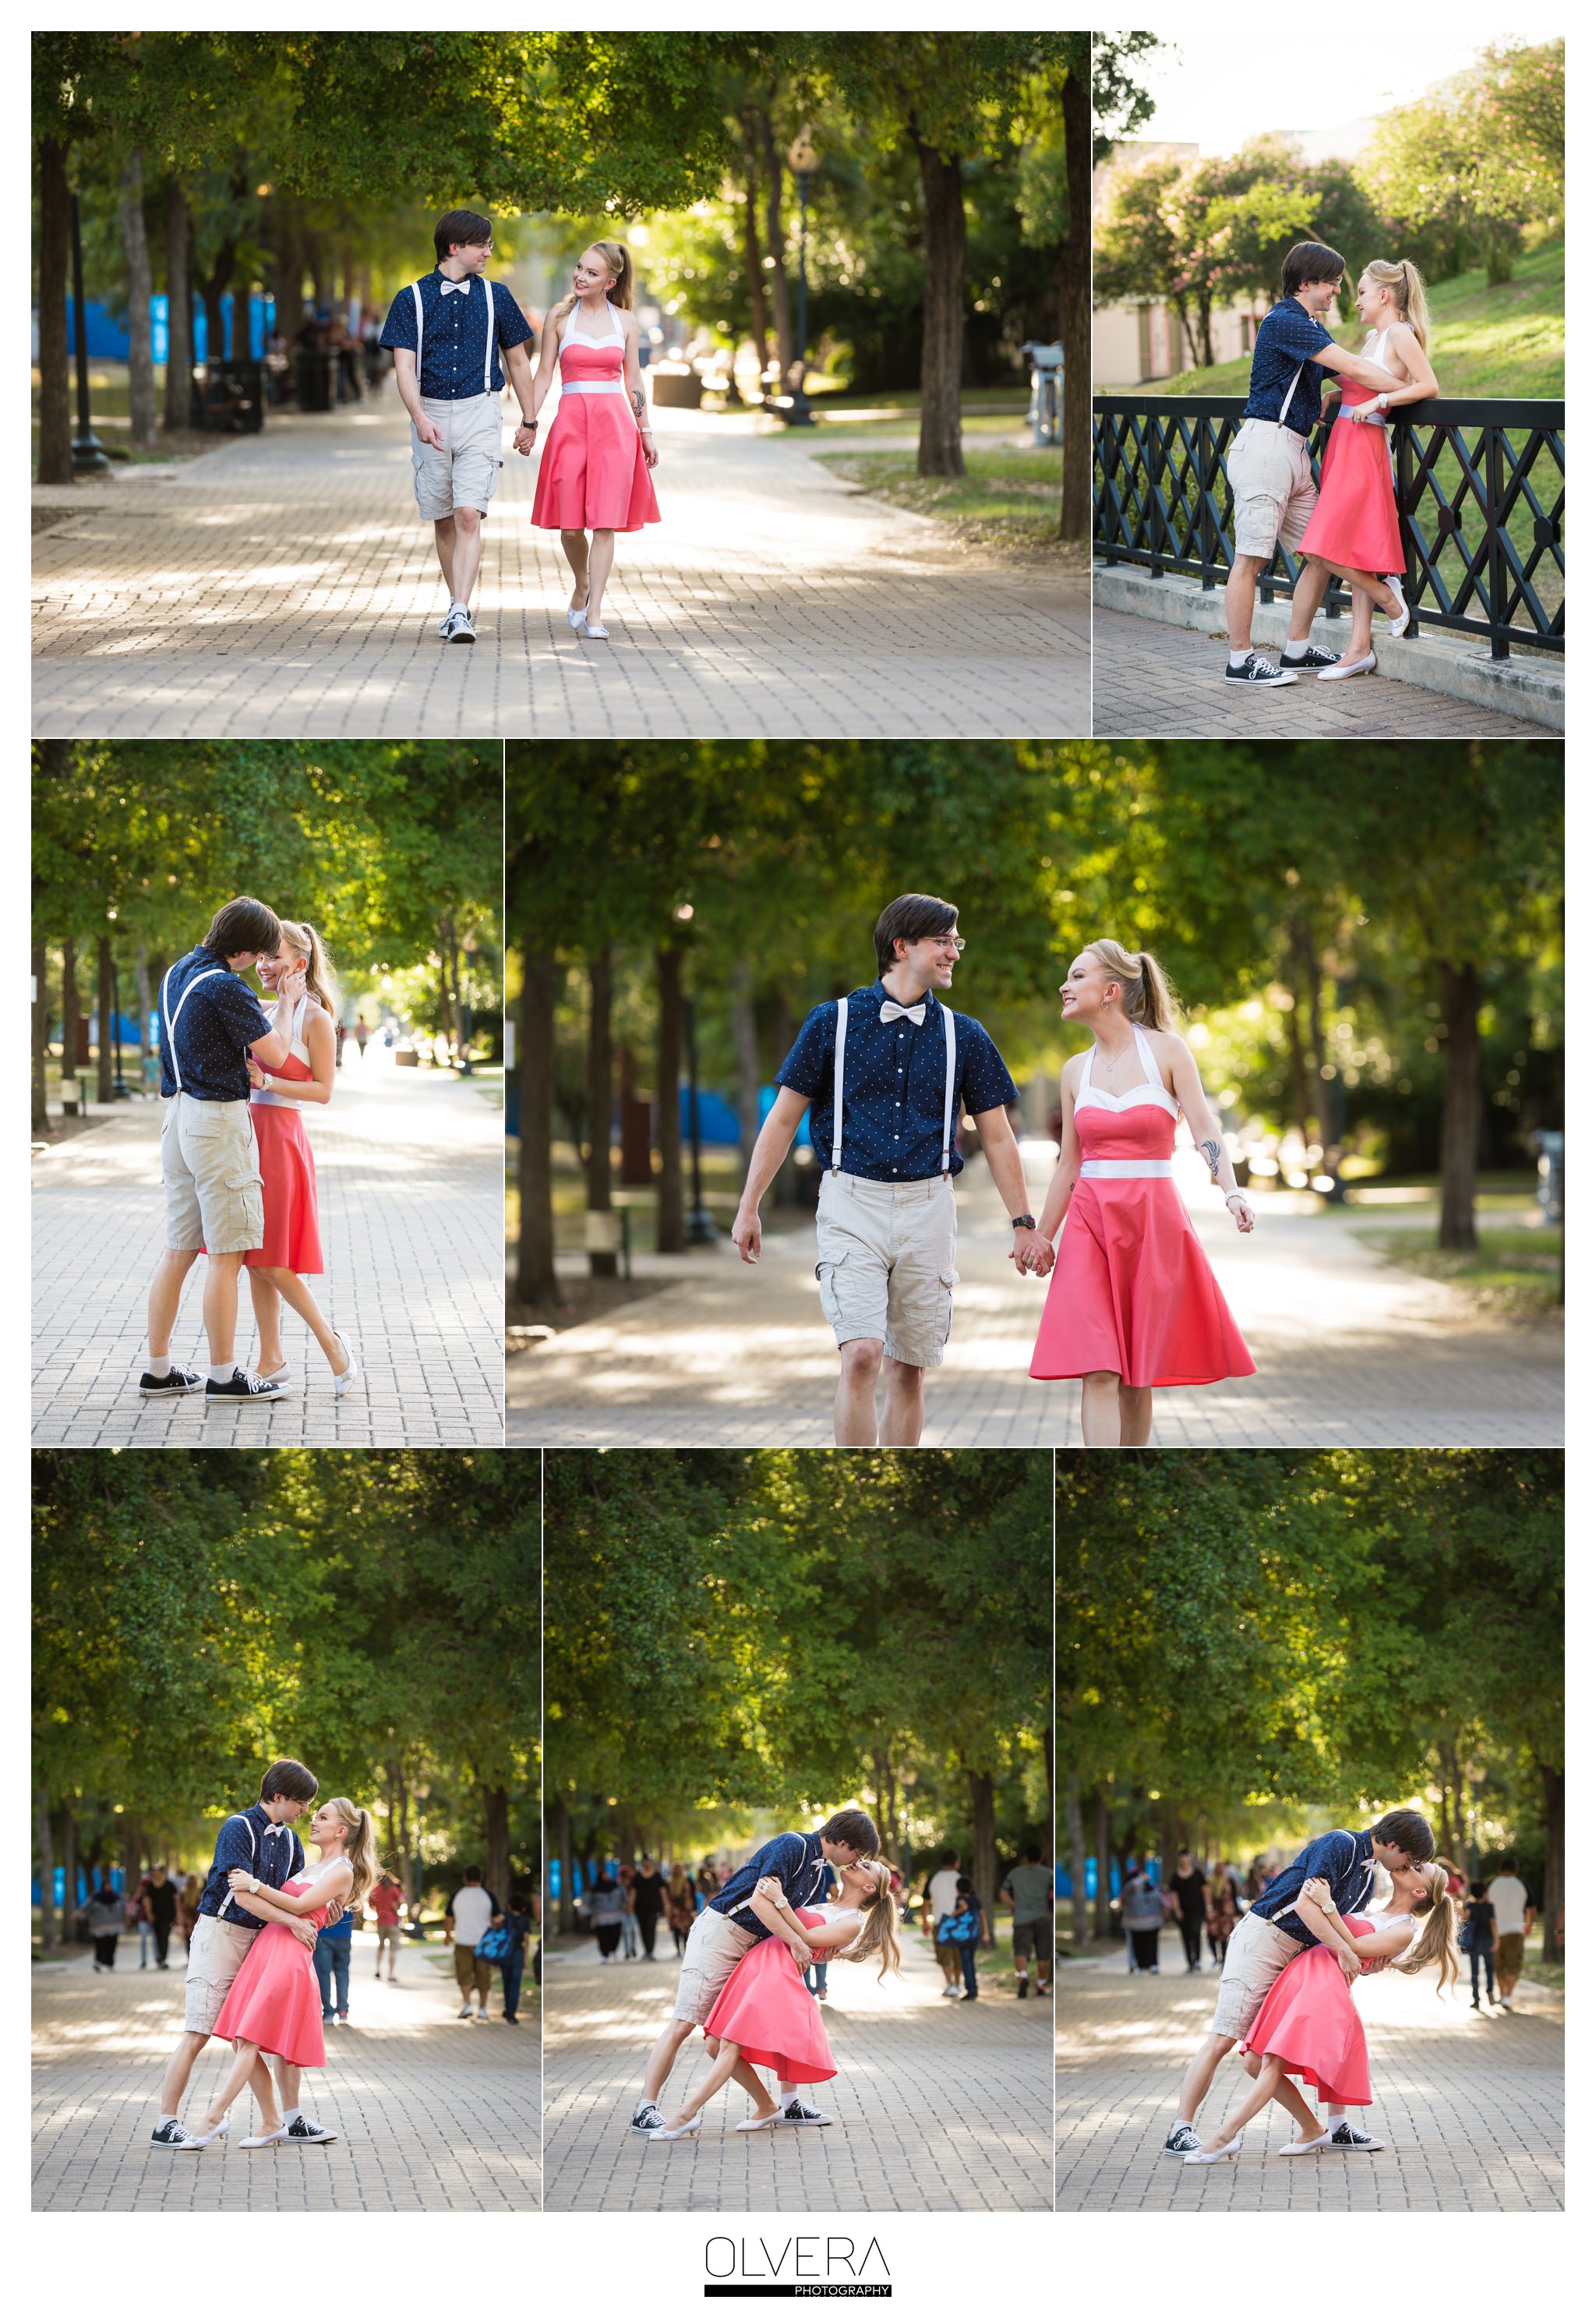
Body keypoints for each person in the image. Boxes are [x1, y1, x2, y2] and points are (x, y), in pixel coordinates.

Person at [733, 896, 1039, 1446]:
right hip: (853, 1202)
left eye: (955, 942)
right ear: (902, 947)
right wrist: (749, 1205)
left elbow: (997, 1136)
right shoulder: (832, 1023)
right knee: (862, 1357)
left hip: (929, 1206)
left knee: (907, 1368)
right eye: (944, 941)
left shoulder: (965, 1036)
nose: (954, 953)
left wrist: (1023, 1222)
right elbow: (781, 1122)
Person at [1029, 941, 1255, 1445]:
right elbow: (1070, 1162)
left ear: (1110, 991)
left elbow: (1204, 1129)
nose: (1064, 986)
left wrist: (1232, 1192)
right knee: (1099, 1368)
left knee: (1137, 1375)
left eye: (1076, 976)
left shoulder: (1168, 1052)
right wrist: (1041, 1236)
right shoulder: (1073, 1072)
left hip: (1152, 1222)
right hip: (1090, 1224)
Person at [1163, 1808, 1435, 2159]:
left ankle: (1319, 2129)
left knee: (1261, 2055)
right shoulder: (1341, 1844)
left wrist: (1365, 1959)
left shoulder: (1368, 1880)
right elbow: (1308, 1906)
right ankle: (1180, 2130)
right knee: (1224, 2037)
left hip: (1300, 1959)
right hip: (1265, 1941)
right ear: (1395, 1844)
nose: (1405, 1867)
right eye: (1409, 1859)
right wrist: (1345, 1952)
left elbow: (1342, 1927)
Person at [1220, 239, 1425, 686]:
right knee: (1251, 558)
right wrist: (1405, 390)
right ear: (1307, 281)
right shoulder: (1287, 321)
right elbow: (1355, 367)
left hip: (1292, 452)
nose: (1338, 291)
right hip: (1266, 449)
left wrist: (1387, 399)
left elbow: (1346, 380)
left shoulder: (1310, 327)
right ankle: (1240, 661)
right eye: (1332, 283)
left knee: (1323, 549)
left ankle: (1296, 651)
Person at [630, 1807, 881, 2136]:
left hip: (758, 1949)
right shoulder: (792, 1845)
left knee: (728, 2037)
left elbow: (806, 1921)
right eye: (858, 1854)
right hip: (722, 1934)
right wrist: (797, 1943)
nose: (854, 1861)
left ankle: (778, 2105)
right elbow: (762, 1902)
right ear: (845, 1842)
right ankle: (645, 2109)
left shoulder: (821, 1874)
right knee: (684, 2022)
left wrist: (817, 1951)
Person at [138, 898, 298, 1404]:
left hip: (178, 1117)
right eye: (261, 953)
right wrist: (289, 1004)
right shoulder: (226, 985)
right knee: (226, 1256)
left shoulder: (176, 972)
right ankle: (225, 1375)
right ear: (248, 948)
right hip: (217, 1122)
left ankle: (159, 1370)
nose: (262, 963)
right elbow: (277, 1054)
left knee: (178, 1249)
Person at [150, 1759, 336, 2149]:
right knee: (198, 2031)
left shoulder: (292, 1842)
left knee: (249, 2037)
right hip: (221, 1936)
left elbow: (292, 1899)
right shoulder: (239, 1827)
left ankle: (281, 2120)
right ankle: (166, 2123)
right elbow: (244, 1895)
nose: (306, 1811)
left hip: (263, 1942)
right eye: (302, 1802)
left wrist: (321, 1914)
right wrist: (294, 1921)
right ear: (280, 1796)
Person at [175, 1798, 378, 2149]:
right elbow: (286, 1905)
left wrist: (252, 1884)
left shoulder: (342, 1870)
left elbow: (298, 1907)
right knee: (243, 2038)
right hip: (266, 1948)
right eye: (314, 1814)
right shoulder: (312, 1866)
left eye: (323, 1817)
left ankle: (212, 2119)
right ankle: (275, 2122)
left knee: (250, 2038)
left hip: (289, 1956)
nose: (314, 1820)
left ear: (341, 1831)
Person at [380, 208, 538, 645]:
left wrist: (529, 420)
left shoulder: (497, 296)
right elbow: (404, 369)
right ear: (455, 248)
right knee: (445, 517)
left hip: (481, 411)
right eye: (482, 244)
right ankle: (456, 604)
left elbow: (519, 360)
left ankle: (460, 610)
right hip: (428, 410)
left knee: (470, 512)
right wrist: (419, 418)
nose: (489, 251)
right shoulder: (410, 298)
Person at [1298, 259, 1438, 680]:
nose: (1354, 299)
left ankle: (1387, 595)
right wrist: (1333, 394)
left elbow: (1428, 385)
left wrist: (1379, 403)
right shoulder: (1374, 337)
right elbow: (1363, 381)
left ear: (1384, 295)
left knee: (1318, 544)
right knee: (1354, 543)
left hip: (1365, 444)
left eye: (1361, 292)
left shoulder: (1398, 333)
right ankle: (1359, 649)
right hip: (1343, 441)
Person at [242, 920, 360, 1397]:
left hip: (282, 1139)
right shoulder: (266, 1008)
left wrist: (269, 1083)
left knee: (271, 1259)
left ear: (300, 963)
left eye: (274, 956)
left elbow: (324, 1091)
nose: (264, 965)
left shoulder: (316, 1018)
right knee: (254, 1256)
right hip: (248, 1134)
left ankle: (332, 1344)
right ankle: (270, 1360)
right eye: (262, 956)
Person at [524, 240, 660, 639]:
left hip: (615, 428)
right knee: (570, 527)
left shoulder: (627, 322)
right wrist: (529, 422)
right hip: (569, 424)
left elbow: (633, 380)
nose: (580, 276)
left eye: (592, 273)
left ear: (610, 281)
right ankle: (582, 585)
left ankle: (596, 612)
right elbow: (544, 373)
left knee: (604, 523)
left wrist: (645, 430)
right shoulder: (559, 317)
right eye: (580, 268)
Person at [444, 1864, 502, 2019]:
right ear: (481, 1878)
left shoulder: (458, 1895)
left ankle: (467, 2004)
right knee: (483, 1975)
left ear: (465, 1877)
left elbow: (449, 1918)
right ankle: (483, 2008)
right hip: (484, 1942)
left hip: (462, 1941)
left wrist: (448, 1935)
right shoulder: (488, 1895)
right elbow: (498, 1919)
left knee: (464, 1974)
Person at [1000, 1842, 1054, 1998]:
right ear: (1041, 1857)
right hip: (1042, 1916)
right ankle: (1041, 1984)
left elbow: (1003, 1892)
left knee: (1021, 1949)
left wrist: (1012, 1906)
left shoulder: (1015, 1873)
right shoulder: (1048, 1874)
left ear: (1026, 1858)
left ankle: (1023, 1976)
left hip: (1021, 1917)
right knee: (1043, 1952)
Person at [1485, 1855, 1535, 2015]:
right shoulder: (1522, 1884)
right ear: (1515, 1870)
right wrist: (1528, 1925)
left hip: (1496, 1931)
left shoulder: (1492, 1884)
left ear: (1500, 1869)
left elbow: (1484, 1906)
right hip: (1515, 1930)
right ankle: (1508, 1995)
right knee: (1514, 1964)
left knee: (1499, 1965)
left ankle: (1502, 1994)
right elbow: (1532, 1909)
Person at [922, 1849, 966, 1999]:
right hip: (959, 1922)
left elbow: (926, 1902)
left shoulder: (934, 1878)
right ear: (956, 1862)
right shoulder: (960, 1878)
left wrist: (925, 1921)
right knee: (958, 1955)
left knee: (944, 1955)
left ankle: (950, 1984)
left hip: (940, 1922)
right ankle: (958, 1984)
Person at [937, 1879, 985, 2001]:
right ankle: (974, 1987)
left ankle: (970, 1990)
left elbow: (964, 1907)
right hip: (975, 1935)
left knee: (966, 1963)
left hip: (963, 1936)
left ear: (958, 1889)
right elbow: (982, 1915)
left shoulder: (960, 1899)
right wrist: (986, 1932)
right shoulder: (975, 1899)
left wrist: (954, 1913)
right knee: (971, 1962)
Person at [312, 1895, 354, 2030]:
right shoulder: (353, 1881)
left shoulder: (327, 1878)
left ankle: (328, 2012)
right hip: (345, 1935)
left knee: (323, 1974)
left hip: (325, 1933)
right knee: (342, 1973)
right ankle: (343, 2010)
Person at [1460, 1879, 1499, 2013]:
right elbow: (1493, 1924)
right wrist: (1497, 1941)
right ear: (1484, 1892)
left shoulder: (1470, 1906)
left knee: (1475, 1972)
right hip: (1488, 1941)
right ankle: (1490, 1991)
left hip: (1474, 1943)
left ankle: (1476, 1999)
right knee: (1489, 1969)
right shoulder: (1489, 1907)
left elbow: (1465, 1920)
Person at [1121, 1863, 1165, 1974]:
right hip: (1136, 1922)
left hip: (1152, 1921)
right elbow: (1130, 1888)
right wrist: (1142, 1878)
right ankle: (1140, 1965)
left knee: (1150, 1944)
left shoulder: (1151, 1887)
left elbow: (1160, 1900)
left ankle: (1152, 1965)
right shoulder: (1130, 1887)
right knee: (1138, 1944)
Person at [1170, 1850, 1209, 1975]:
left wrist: (1208, 1907)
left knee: (1196, 1933)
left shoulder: (1197, 1874)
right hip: (1183, 1912)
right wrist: (1177, 1910)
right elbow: (1174, 1895)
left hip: (1197, 1911)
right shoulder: (1175, 1876)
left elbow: (1205, 1891)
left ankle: (1197, 1960)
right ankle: (1190, 1963)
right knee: (1186, 1937)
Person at [584, 1869, 626, 1961]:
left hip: (616, 1916)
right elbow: (587, 1902)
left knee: (615, 1935)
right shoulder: (594, 1889)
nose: (606, 1876)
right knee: (603, 1937)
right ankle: (604, 1954)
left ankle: (614, 1950)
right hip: (600, 1918)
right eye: (604, 1874)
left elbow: (624, 1897)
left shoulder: (616, 1886)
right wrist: (585, 1913)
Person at [142, 1865, 178, 1970]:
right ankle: (159, 1959)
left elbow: (176, 1899)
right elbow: (147, 1900)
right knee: (156, 1937)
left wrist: (178, 1913)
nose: (155, 1873)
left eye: (157, 1871)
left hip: (168, 1915)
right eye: (153, 1871)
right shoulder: (150, 1886)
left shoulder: (170, 1885)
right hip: (155, 1915)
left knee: (165, 1936)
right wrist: (149, 1913)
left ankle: (163, 1958)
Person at [369, 1870, 404, 1981]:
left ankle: (378, 1970)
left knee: (381, 1947)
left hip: (381, 1922)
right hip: (393, 1922)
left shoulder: (376, 1890)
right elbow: (401, 1902)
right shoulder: (393, 1889)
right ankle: (391, 1974)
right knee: (393, 1949)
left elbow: (370, 1903)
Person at [630, 1857, 667, 1961]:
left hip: (654, 1908)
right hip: (640, 1908)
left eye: (649, 1861)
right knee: (643, 1929)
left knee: (651, 1928)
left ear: (651, 1862)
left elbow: (662, 1891)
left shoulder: (657, 1876)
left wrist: (666, 1905)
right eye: (645, 1862)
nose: (647, 1863)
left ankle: (650, 1951)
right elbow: (634, 1892)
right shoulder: (637, 1876)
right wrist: (630, 1905)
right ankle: (646, 1950)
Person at [1206, 1868, 1240, 1970]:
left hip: (1226, 1913)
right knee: (1211, 1934)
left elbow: (1233, 1896)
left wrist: (1236, 1912)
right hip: (1213, 1912)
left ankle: (1223, 1959)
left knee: (1224, 1936)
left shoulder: (1228, 1881)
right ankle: (1216, 1957)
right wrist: (1208, 1909)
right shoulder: (1209, 1881)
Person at [84, 1878, 123, 1968]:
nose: (109, 1887)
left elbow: (122, 1909)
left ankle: (110, 1962)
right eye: (107, 1885)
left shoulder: (116, 1897)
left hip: (114, 1926)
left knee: (112, 1945)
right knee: (100, 1945)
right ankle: (98, 1961)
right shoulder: (96, 1897)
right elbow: (86, 1908)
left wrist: (125, 1919)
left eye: (110, 1885)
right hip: (99, 1927)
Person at [664, 1863, 698, 1957]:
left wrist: (694, 1908)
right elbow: (667, 1895)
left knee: (686, 1929)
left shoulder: (687, 1880)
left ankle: (685, 1947)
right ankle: (678, 1950)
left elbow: (692, 1894)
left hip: (685, 1909)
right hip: (674, 1909)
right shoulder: (669, 1881)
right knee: (676, 1929)